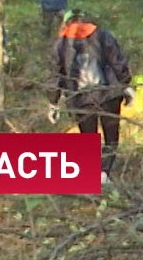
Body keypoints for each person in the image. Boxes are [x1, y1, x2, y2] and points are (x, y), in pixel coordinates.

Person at [48, 10, 134, 178]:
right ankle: (104, 173)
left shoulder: (60, 44)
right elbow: (117, 61)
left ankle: (94, 173)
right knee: (111, 136)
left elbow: (55, 75)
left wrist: (53, 101)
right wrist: (126, 84)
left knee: (88, 138)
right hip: (109, 94)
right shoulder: (102, 35)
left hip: (80, 99)